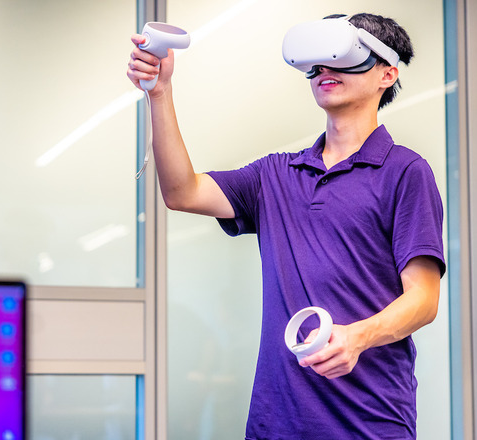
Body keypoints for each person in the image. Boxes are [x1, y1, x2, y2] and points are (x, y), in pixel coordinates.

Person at [127, 12, 446, 440]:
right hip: (276, 423)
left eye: (344, 57)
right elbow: (182, 192)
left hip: (369, 423)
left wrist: (356, 338)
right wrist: (160, 94)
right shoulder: (276, 175)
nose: (325, 71)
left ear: (386, 74)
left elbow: (424, 300)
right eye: (317, 63)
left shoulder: (405, 171)